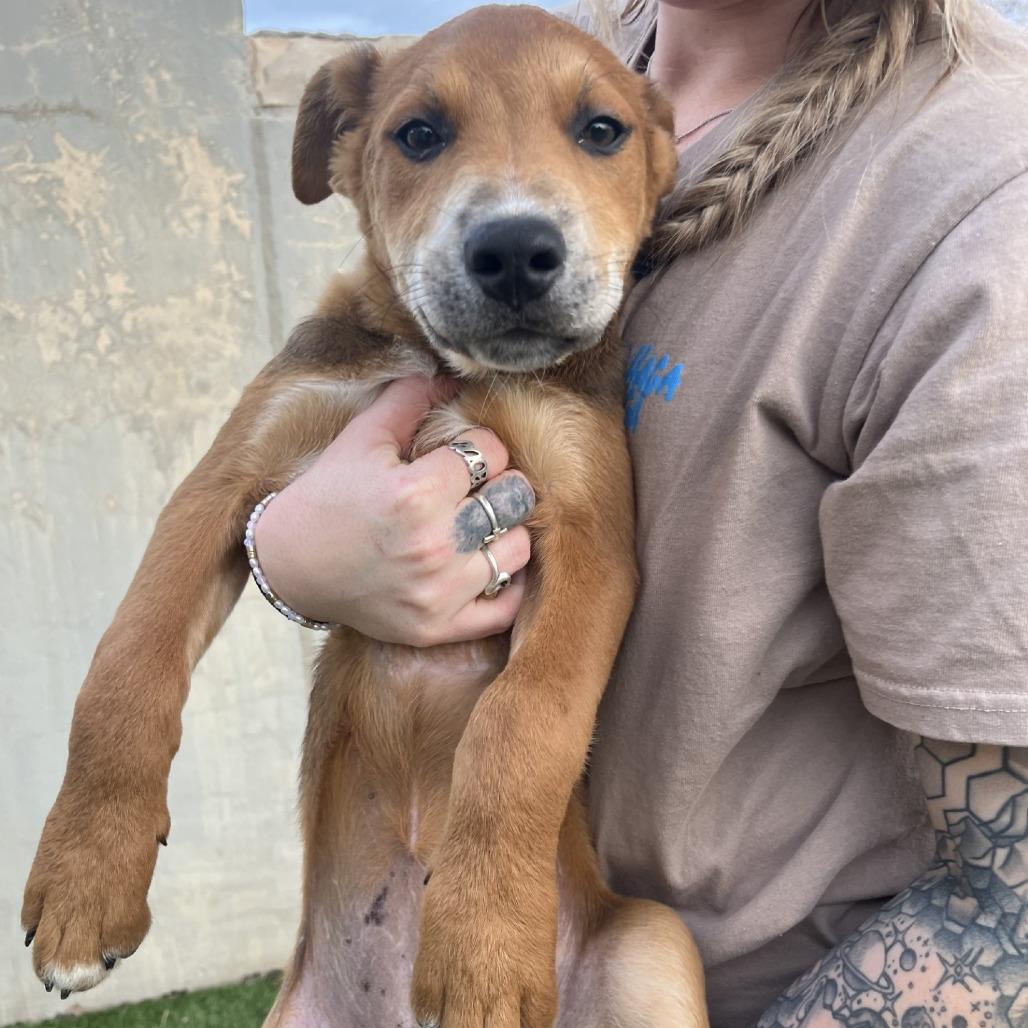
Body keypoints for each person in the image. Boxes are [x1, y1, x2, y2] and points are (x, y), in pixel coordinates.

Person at [253, 1, 1028, 1025]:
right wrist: (288, 553)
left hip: (716, 986)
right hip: (432, 944)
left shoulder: (972, 196)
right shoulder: (558, 59)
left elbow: (1005, 905)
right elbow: (362, 433)